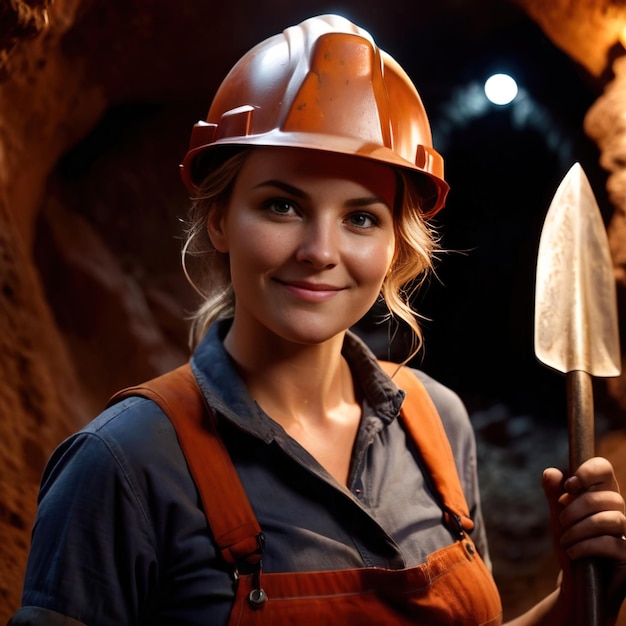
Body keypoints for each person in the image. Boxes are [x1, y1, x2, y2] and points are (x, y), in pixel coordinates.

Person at [9, 14, 626, 626]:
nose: (320, 251)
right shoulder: (120, 464)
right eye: (282, 205)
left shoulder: (437, 422)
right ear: (220, 219)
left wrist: (575, 596)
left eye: (361, 218)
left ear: (397, 246)